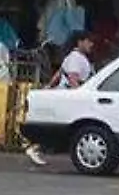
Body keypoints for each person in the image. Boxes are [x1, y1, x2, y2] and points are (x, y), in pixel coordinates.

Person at [24, 34, 97, 166]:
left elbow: (59, 73)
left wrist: (49, 86)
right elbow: (73, 79)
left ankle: (37, 147)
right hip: (69, 99)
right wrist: (81, 97)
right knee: (61, 128)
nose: (91, 45)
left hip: (64, 96)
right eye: (89, 41)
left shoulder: (73, 57)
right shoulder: (76, 58)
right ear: (80, 42)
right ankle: (35, 147)